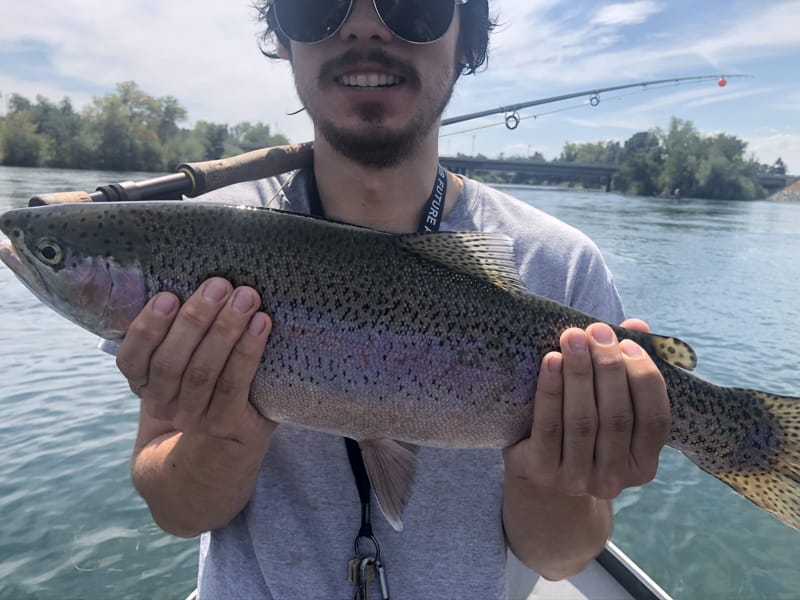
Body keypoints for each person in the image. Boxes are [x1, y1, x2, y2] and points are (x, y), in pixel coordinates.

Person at [117, 0, 671, 597]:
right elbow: (176, 511)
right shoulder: (205, 246)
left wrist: (551, 479)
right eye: (318, 5)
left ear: (468, 43)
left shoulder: (560, 266)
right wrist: (224, 436)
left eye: (413, 4)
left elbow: (561, 557)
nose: (364, 25)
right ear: (282, 34)